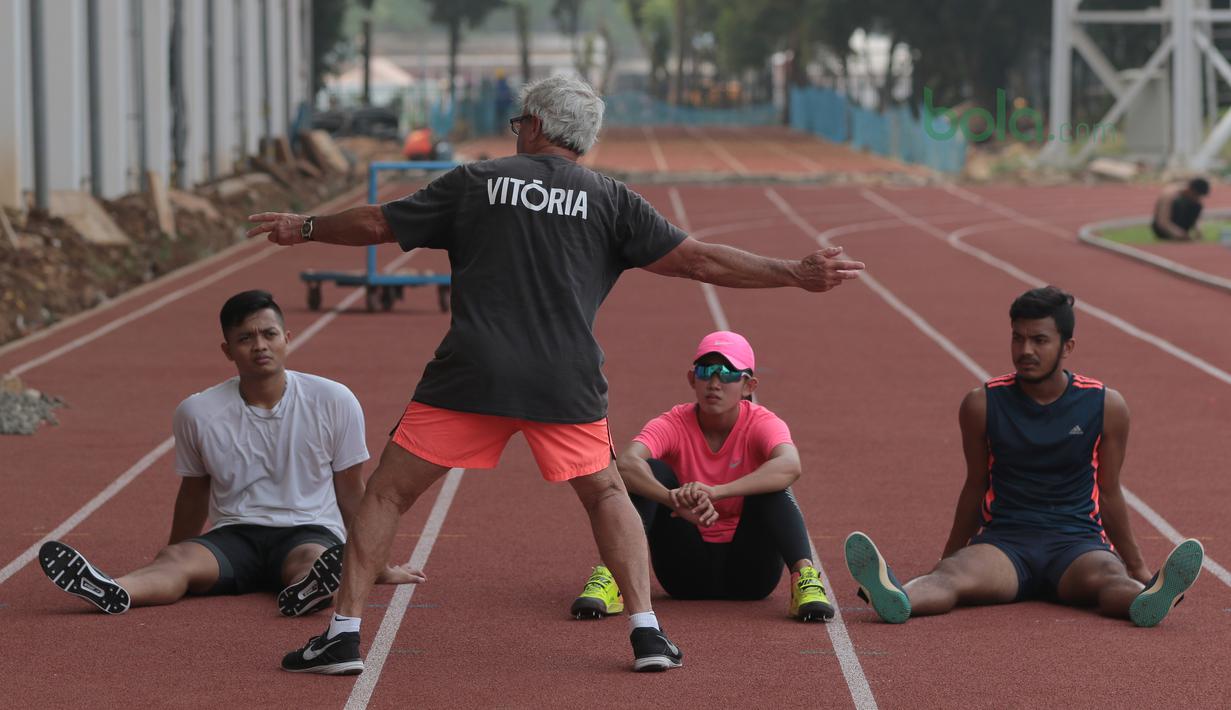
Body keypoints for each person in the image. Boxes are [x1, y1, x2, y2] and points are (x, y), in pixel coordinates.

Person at [246, 74, 864, 676]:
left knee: (386, 493)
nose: (516, 132)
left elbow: (380, 224)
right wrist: (794, 272)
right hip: (563, 383)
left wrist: (304, 228)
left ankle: (345, 636)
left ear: (536, 125)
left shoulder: (476, 181)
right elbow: (699, 259)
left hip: (471, 376)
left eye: (520, 123)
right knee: (606, 495)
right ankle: (647, 634)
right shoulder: (612, 199)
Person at [38, 290, 421, 622]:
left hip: (308, 529)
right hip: (234, 537)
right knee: (177, 563)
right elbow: (193, 492)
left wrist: (378, 566)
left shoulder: (334, 401)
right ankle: (114, 589)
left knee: (314, 561)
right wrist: (176, 550)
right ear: (227, 350)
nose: (259, 346)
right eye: (245, 338)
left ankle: (310, 590)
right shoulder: (197, 412)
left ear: (287, 338)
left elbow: (351, 491)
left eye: (269, 334)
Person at [844, 286, 1204, 628]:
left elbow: (1109, 492)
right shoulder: (982, 404)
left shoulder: (1106, 406)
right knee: (951, 578)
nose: (1025, 349)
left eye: (1040, 340)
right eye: (1018, 337)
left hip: (1076, 543)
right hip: (1006, 544)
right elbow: (975, 486)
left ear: (1067, 346)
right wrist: (948, 557)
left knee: (1111, 579)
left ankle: (1149, 598)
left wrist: (1138, 568)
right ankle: (898, 597)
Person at [570, 331, 835, 623]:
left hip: (751, 574)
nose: (714, 383)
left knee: (773, 481)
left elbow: (790, 465)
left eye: (727, 374)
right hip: (683, 573)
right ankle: (611, 576)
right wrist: (671, 498)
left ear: (749, 385)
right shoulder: (673, 422)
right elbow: (628, 462)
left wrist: (718, 491)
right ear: (691, 379)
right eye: (705, 371)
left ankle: (805, 578)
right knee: (651, 471)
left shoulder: (762, 423)